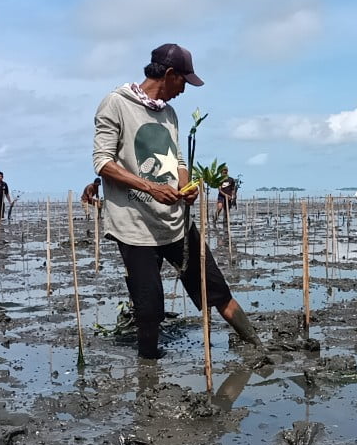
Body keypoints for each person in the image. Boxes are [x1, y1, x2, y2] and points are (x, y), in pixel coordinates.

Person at [93, 43, 263, 359]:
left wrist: (187, 186)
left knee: (217, 289)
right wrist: (150, 188)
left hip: (176, 223)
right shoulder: (115, 104)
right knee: (149, 309)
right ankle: (149, 373)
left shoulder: (169, 113)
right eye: (184, 81)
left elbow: (178, 160)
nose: (185, 90)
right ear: (170, 75)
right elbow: (103, 162)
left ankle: (259, 347)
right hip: (135, 228)